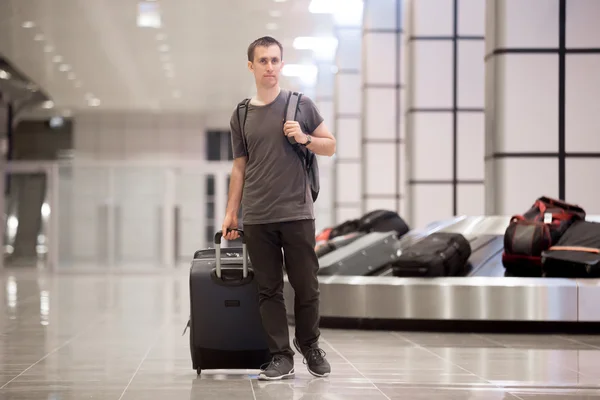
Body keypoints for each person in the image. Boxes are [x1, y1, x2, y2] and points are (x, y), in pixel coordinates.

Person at [221, 36, 336, 381]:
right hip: (257, 216)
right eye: (263, 61)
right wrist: (231, 213)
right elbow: (239, 167)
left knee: (306, 284)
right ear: (251, 66)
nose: (269, 67)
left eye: (275, 60)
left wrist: (304, 138)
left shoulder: (301, 105)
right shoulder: (241, 115)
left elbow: (329, 146)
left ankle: (309, 344)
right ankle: (280, 355)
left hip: (297, 212)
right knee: (268, 288)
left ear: (281, 64)